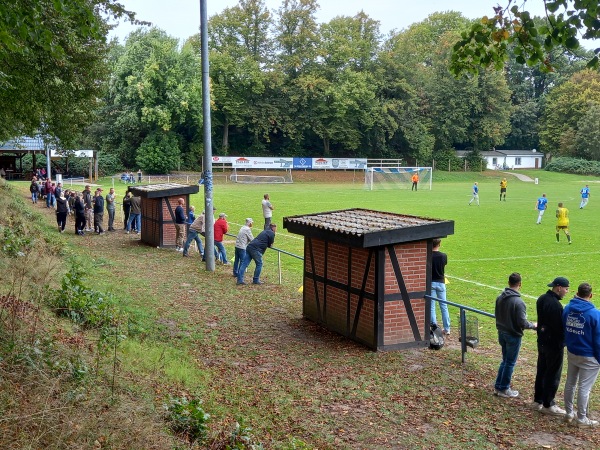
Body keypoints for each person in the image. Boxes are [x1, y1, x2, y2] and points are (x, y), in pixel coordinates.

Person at [531, 277, 570, 416]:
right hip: (553, 345)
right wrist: (564, 342)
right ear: (558, 287)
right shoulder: (555, 305)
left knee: (541, 370)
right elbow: (558, 328)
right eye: (566, 289)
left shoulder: (542, 298)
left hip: (542, 341)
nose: (566, 292)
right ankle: (549, 403)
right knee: (553, 374)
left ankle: (538, 400)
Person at [494, 272, 537, 398]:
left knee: (505, 360)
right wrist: (534, 325)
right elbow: (522, 322)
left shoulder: (500, 297)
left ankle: (498, 386)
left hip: (501, 332)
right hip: (512, 335)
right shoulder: (518, 302)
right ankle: (504, 388)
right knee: (510, 362)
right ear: (520, 284)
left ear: (509, 283)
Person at [563, 282, 600, 426]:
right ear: (590, 295)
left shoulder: (567, 309)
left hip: (572, 352)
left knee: (570, 383)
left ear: (577, 293)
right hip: (589, 356)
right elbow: (598, 340)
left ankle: (568, 413)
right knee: (584, 387)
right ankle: (581, 418)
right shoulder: (595, 314)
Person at [430, 238, 450, 336]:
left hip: (431, 283)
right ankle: (447, 328)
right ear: (439, 244)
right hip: (441, 283)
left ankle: (434, 327)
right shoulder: (443, 256)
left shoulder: (428, 256)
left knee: (432, 306)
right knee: (444, 306)